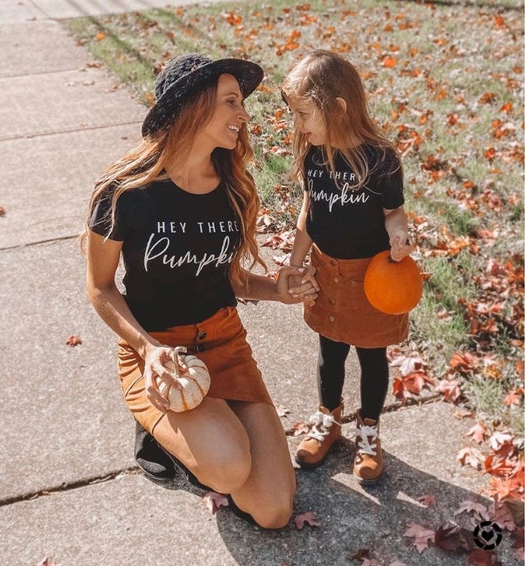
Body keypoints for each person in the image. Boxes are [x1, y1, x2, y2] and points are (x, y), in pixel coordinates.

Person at [83, 53, 318, 529]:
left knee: (273, 511)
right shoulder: (125, 193)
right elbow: (101, 287)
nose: (244, 115)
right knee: (229, 466)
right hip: (160, 354)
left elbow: (226, 277)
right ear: (192, 106)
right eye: (232, 102)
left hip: (225, 344)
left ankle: (208, 426)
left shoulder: (232, 188)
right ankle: (165, 428)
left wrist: (278, 289)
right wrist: (148, 351)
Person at [280, 49, 414, 484]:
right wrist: (296, 263)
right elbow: (309, 211)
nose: (297, 125)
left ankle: (369, 429)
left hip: (371, 278)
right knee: (330, 350)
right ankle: (329, 418)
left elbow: (394, 211)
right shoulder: (314, 155)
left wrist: (398, 233)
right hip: (326, 271)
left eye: (304, 114)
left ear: (337, 108)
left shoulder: (381, 159)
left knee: (372, 356)